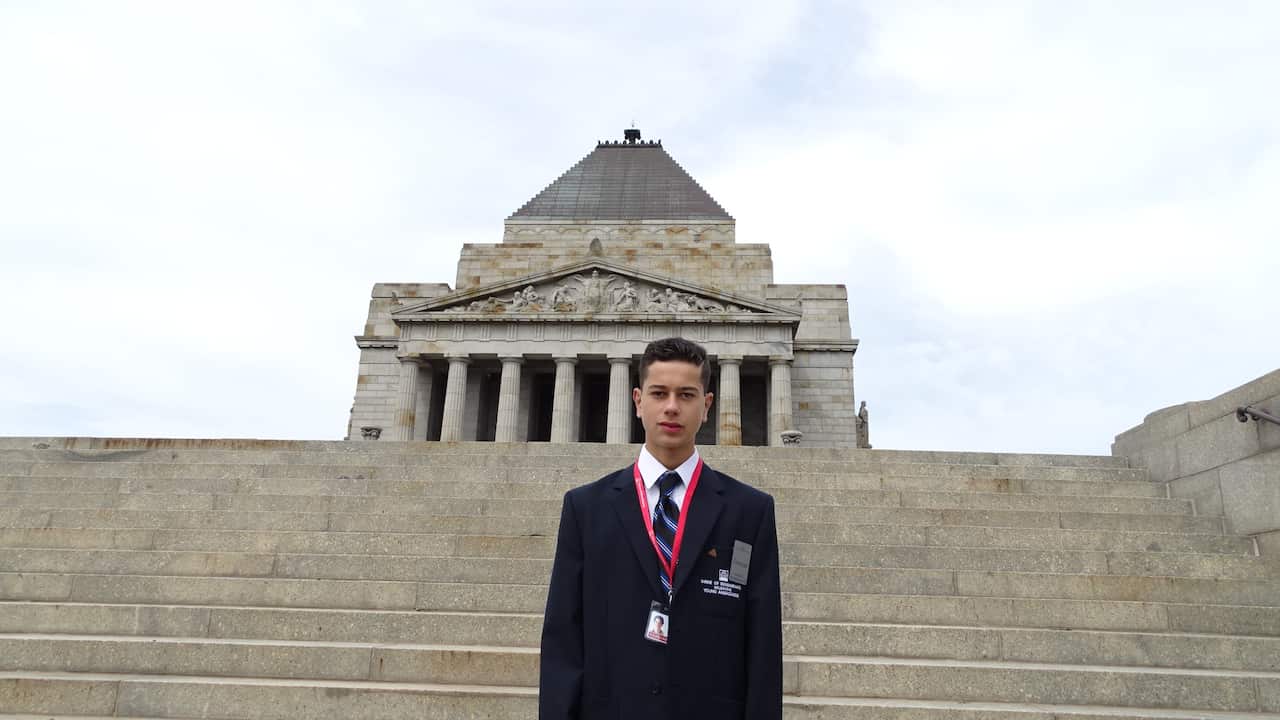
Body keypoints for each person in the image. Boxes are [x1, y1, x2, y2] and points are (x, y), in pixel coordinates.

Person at [539, 337, 783, 719]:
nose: (671, 407)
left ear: (706, 406)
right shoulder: (586, 508)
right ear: (638, 401)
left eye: (686, 395)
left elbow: (763, 645)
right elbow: (563, 641)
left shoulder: (749, 511)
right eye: (659, 393)